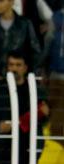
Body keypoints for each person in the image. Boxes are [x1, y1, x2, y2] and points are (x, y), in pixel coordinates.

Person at [0, 0, 41, 81]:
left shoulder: (25, 24)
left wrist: (26, 73)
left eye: (1, 1)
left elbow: (35, 52)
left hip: (19, 79)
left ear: (11, 2)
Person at [43, 2, 64, 138]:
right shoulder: (56, 17)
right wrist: (44, 70)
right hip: (58, 77)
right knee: (56, 125)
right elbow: (47, 46)